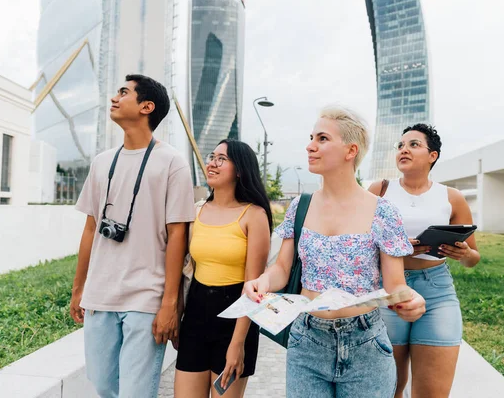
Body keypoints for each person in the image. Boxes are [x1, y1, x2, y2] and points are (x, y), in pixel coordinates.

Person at [244, 105, 426, 398]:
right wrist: (262, 282)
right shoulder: (299, 206)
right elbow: (281, 269)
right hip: (307, 341)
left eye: (322, 138)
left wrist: (412, 300)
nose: (310, 145)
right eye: (311, 137)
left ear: (350, 150)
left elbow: (396, 286)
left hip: (366, 345)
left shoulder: (383, 212)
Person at [70, 74, 195, 397]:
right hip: (101, 295)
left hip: (146, 297)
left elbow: (177, 234)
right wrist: (79, 288)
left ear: (146, 107)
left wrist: (170, 303)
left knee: (136, 393)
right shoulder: (101, 163)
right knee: (102, 386)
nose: (115, 97)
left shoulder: (172, 163)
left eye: (123, 92)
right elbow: (90, 228)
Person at [368, 123, 481, 398]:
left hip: (437, 290)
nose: (404, 149)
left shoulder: (451, 197)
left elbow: (474, 258)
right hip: (388, 289)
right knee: (388, 389)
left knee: (432, 393)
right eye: (401, 146)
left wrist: (465, 254)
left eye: (414, 144)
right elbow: (357, 246)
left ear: (433, 156)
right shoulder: (379, 191)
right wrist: (398, 252)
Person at [174, 139, 272, 398]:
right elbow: (184, 270)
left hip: (235, 322)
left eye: (221, 159)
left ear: (239, 170)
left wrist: (237, 344)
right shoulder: (196, 212)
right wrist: (176, 314)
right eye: (211, 157)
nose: (212, 163)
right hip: (195, 318)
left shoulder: (254, 216)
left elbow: (253, 288)